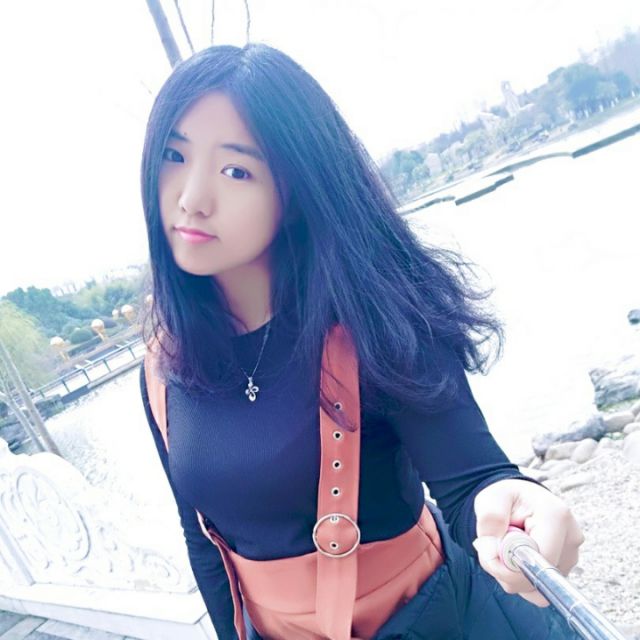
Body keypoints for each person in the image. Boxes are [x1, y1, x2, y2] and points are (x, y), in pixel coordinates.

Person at [137, 42, 584, 639]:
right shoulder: (165, 364)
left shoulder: (377, 318)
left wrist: (517, 509)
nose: (191, 197)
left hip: (428, 621)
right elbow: (202, 541)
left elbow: (473, 481)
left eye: (235, 170)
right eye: (174, 155)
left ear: (295, 191)